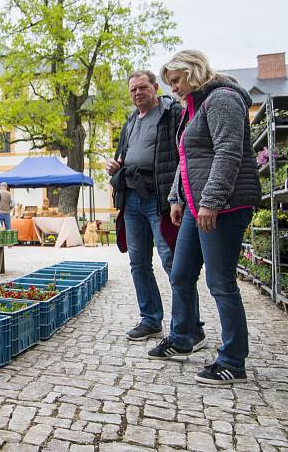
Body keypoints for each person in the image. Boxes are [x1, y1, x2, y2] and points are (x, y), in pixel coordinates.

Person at [148, 50, 260, 385]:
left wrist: (211, 201)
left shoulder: (223, 99)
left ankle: (232, 360)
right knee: (180, 273)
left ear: (193, 71)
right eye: (169, 84)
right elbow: (189, 158)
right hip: (198, 207)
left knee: (220, 282)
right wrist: (177, 197)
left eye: (176, 80)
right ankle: (183, 337)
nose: (174, 89)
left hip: (223, 206)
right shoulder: (194, 107)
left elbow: (228, 153)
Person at [106, 70, 205, 345]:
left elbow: (184, 152)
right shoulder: (129, 121)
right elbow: (124, 157)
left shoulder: (171, 113)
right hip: (132, 198)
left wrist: (180, 196)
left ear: (155, 87)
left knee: (174, 262)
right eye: (133, 90)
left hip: (160, 198)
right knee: (138, 262)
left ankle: (191, 326)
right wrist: (116, 166)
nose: (137, 93)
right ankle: (150, 319)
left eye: (142, 88)